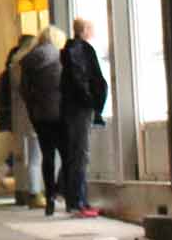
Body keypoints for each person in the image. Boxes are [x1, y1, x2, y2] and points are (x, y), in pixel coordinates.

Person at [62, 19, 110, 219]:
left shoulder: (67, 50)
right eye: (92, 28)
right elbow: (88, 78)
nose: (94, 31)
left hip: (70, 107)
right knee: (81, 153)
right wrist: (92, 101)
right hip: (81, 108)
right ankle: (79, 202)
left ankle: (73, 199)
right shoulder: (83, 50)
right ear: (85, 31)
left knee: (74, 153)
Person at [20, 26, 68, 216]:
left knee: (47, 157)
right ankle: (59, 189)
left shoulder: (29, 60)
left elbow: (24, 91)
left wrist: (33, 110)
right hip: (61, 113)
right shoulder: (61, 57)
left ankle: (49, 199)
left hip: (40, 115)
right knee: (68, 155)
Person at [0, 34, 45, 210]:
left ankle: (24, 191)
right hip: (34, 116)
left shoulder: (14, 66)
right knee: (35, 157)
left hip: (20, 118)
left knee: (22, 156)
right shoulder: (31, 66)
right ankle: (35, 193)